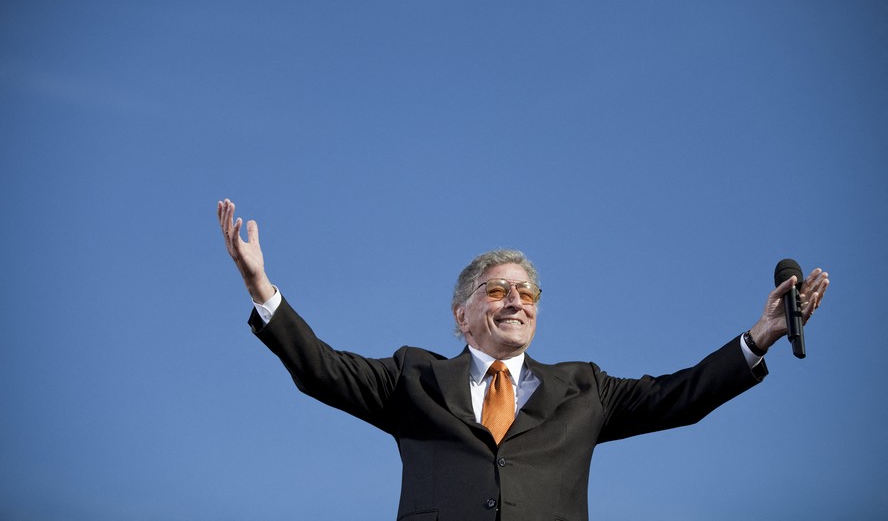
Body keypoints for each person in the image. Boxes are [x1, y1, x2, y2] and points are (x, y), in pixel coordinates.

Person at [216, 198, 829, 521]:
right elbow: (320, 367)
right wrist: (261, 288)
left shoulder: (585, 389)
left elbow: (681, 395)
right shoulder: (413, 378)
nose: (515, 301)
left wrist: (761, 335)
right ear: (461, 314)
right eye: (497, 290)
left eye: (527, 292)